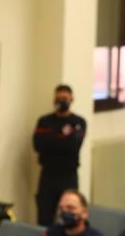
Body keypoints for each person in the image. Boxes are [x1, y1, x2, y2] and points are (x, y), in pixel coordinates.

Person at [33, 84, 86, 225]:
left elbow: (73, 147)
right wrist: (61, 139)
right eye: (58, 98)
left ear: (71, 99)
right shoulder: (44, 121)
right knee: (44, 216)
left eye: (64, 98)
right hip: (47, 175)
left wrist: (51, 139)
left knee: (69, 216)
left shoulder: (78, 122)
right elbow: (38, 146)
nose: (61, 101)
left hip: (68, 176)